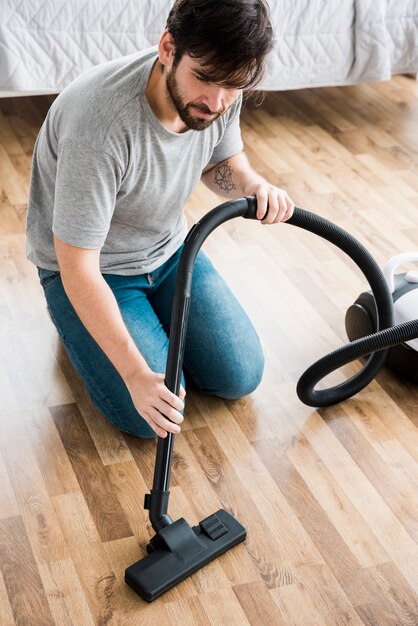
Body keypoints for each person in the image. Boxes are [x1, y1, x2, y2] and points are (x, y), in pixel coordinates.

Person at [25, 0, 294, 439]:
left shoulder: (222, 91)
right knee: (149, 419)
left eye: (233, 86)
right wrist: (133, 373)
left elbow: (219, 162)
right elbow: (78, 267)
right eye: (205, 79)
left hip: (167, 253)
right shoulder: (102, 125)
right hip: (93, 271)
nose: (217, 102)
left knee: (240, 375)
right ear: (168, 47)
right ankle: (76, 328)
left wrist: (251, 185)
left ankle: (141, 333)